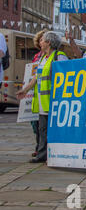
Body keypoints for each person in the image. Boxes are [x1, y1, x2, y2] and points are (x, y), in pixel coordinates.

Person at [16, 32, 68, 163]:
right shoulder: (43, 58)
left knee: (55, 130)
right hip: (42, 101)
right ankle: (42, 154)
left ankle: (56, 154)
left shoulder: (59, 56)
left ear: (49, 42)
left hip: (54, 101)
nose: (40, 43)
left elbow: (67, 76)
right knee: (42, 129)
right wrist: (25, 89)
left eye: (42, 41)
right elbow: (36, 77)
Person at [29, 29, 48, 158]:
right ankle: (39, 147)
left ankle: (43, 151)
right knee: (37, 126)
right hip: (37, 96)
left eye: (43, 39)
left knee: (43, 127)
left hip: (47, 97)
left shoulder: (54, 56)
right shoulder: (38, 57)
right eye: (40, 39)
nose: (41, 42)